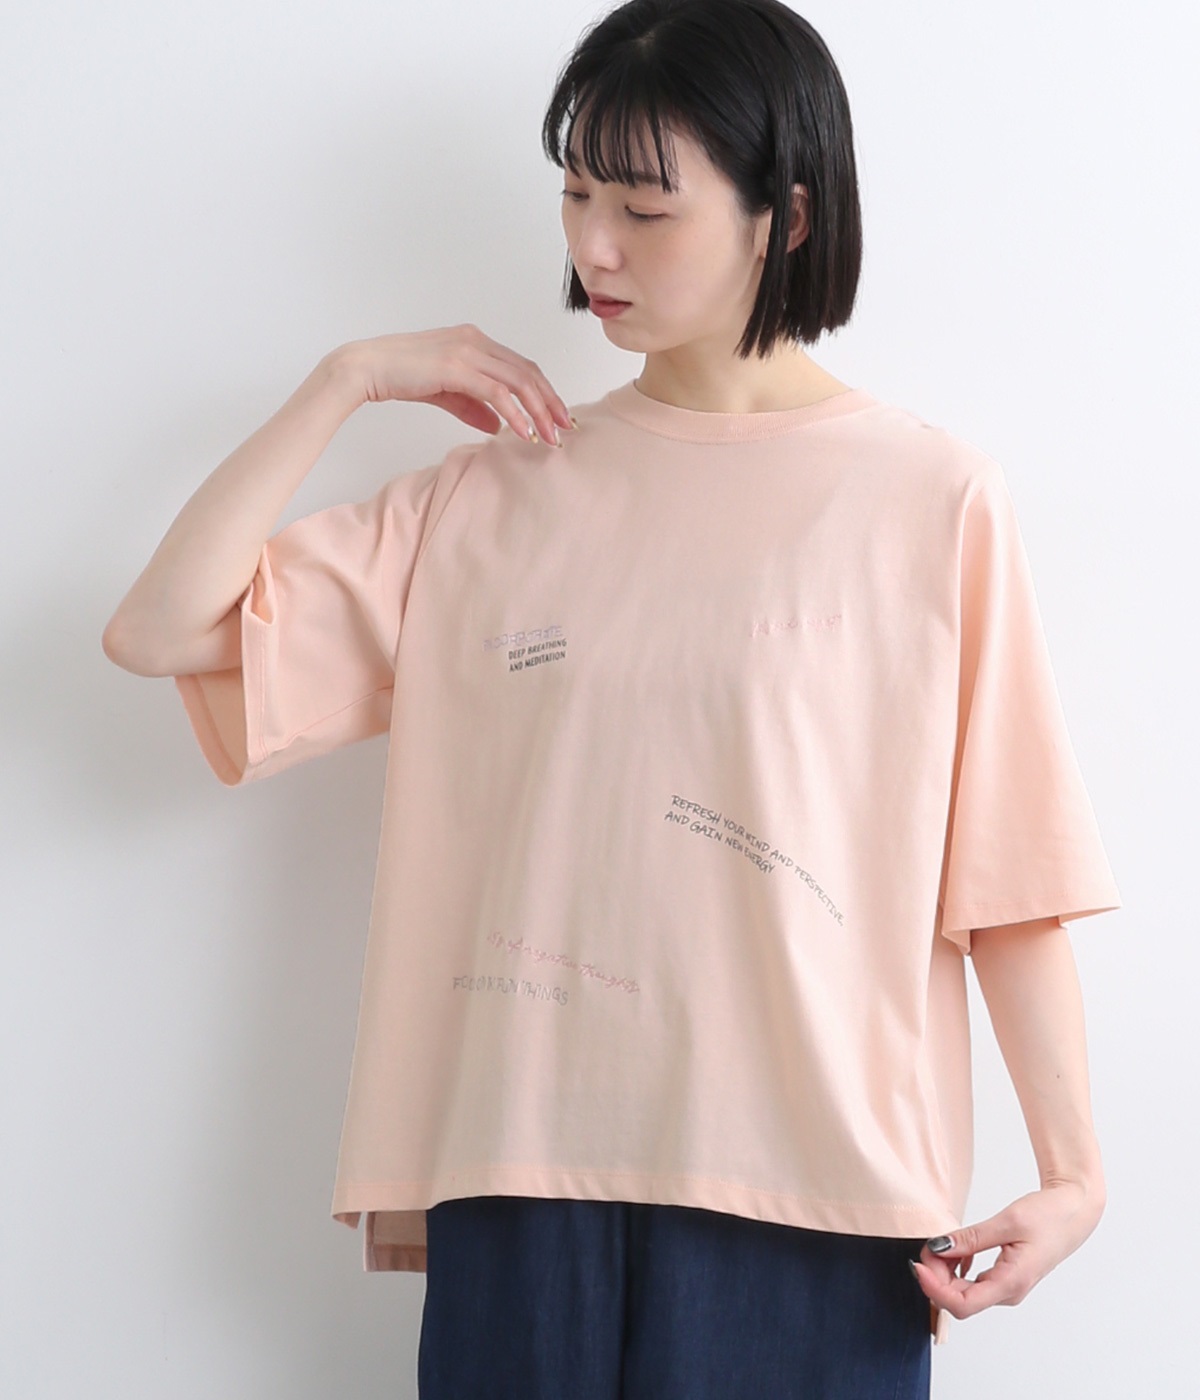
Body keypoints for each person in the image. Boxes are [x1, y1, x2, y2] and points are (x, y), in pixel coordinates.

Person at [102, 1, 1122, 1395]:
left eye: (643, 207)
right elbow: (161, 631)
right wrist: (349, 380)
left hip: (818, 1198)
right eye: (576, 196)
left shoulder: (929, 501)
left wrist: (1074, 1175)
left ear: (784, 217)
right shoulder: (495, 493)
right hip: (525, 1180)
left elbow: (1006, 876)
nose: (593, 248)